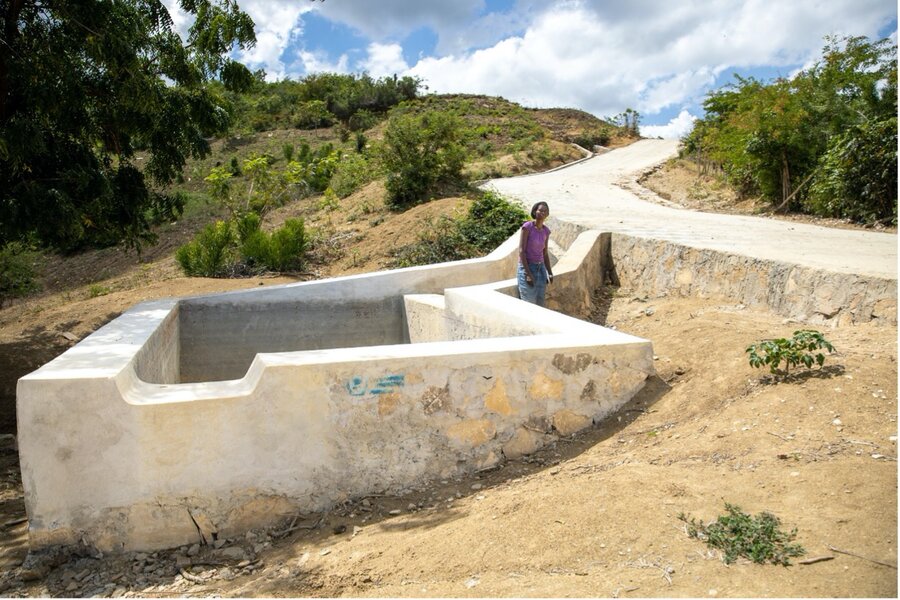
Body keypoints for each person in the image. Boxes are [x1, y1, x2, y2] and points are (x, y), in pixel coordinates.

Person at [517, 201, 553, 306]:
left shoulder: (546, 231)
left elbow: (545, 253)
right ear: (534, 211)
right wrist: (528, 274)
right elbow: (521, 251)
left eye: (545, 211)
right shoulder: (527, 227)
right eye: (540, 210)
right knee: (529, 304)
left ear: (547, 214)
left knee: (540, 303)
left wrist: (549, 272)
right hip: (527, 268)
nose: (542, 212)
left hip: (540, 269)